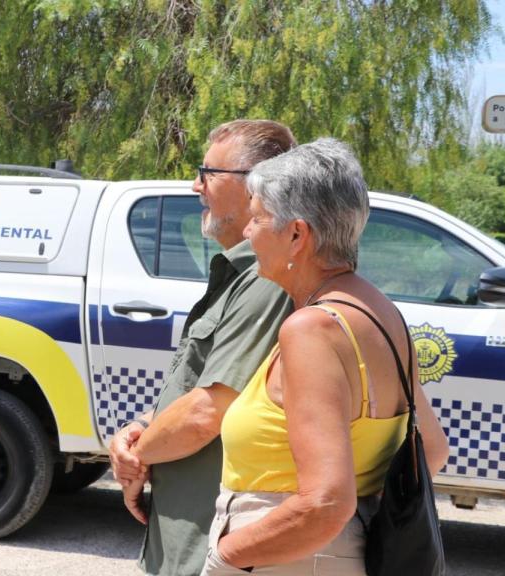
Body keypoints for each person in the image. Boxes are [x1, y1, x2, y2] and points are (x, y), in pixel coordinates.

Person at [201, 138, 450, 575]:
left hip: (289, 558)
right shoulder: (381, 311)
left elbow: (325, 503)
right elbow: (431, 449)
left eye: (257, 217)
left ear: (297, 234)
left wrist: (227, 556)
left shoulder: (311, 330)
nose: (247, 231)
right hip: (341, 554)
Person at [108, 120, 296, 576]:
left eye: (208, 173)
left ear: (257, 185)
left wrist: (135, 456)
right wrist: (138, 429)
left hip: (211, 541)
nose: (195, 185)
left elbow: (206, 414)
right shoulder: (237, 274)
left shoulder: (268, 281)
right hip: (184, 533)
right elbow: (192, 387)